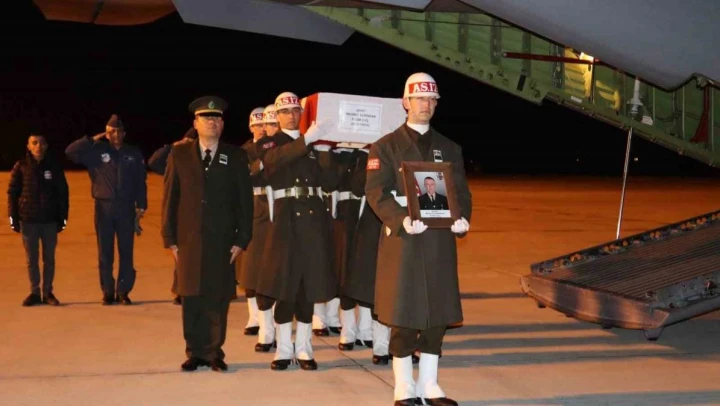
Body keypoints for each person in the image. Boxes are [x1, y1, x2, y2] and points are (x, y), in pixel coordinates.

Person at [365, 72, 472, 406]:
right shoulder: (385, 146)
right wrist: (401, 219)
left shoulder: (449, 148)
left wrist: (462, 220)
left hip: (439, 241)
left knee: (437, 316)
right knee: (404, 315)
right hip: (405, 241)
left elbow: (461, 193)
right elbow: (376, 192)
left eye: (432, 99)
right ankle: (404, 386)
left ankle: (429, 383)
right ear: (406, 102)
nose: (426, 104)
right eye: (420, 98)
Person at [161, 96, 253, 372]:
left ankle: (214, 353)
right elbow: (170, 197)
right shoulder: (179, 154)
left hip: (222, 240)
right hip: (188, 240)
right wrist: (170, 238)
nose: (212, 122)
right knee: (190, 296)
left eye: (216, 118)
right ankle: (194, 352)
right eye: (206, 118)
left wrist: (242, 238)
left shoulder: (235, 156)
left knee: (217, 296)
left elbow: (244, 201)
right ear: (195, 123)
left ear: (222, 124)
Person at [254, 91, 338, 371]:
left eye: (295, 111)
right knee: (285, 287)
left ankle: (303, 348)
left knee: (307, 288)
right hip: (286, 222)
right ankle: (282, 348)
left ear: (301, 114)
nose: (291, 116)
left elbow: (329, 183)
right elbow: (273, 162)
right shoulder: (270, 142)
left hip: (313, 222)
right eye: (285, 112)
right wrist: (308, 140)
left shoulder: (312, 145)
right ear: (277, 116)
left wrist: (326, 152)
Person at [65, 114, 147, 305]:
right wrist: (92, 139)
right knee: (105, 252)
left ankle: (123, 292)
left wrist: (142, 206)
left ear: (124, 133)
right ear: (107, 134)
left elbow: (140, 181)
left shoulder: (133, 153)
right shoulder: (96, 151)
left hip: (126, 208)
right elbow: (70, 151)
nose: (116, 135)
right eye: (112, 131)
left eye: (119, 131)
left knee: (126, 251)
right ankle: (108, 292)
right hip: (104, 207)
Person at [8, 133, 69, 307]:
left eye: (41, 143)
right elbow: (12, 193)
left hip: (49, 221)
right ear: (28, 146)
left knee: (49, 259)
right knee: (32, 259)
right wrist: (13, 217)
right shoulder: (21, 166)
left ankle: (47, 292)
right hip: (28, 221)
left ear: (46, 145)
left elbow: (63, 193)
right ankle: (34, 292)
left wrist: (63, 218)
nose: (38, 146)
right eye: (34, 143)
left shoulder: (54, 167)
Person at [148, 127, 197, 305]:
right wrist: (171, 147)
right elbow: (153, 162)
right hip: (180, 213)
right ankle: (181, 291)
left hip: (199, 212)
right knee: (181, 256)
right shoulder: (175, 158)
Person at [237, 107, 271, 343]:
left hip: (273, 206)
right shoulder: (244, 151)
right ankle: (254, 317)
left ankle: (270, 317)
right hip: (253, 206)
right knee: (250, 266)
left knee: (271, 265)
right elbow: (243, 176)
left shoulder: (277, 147)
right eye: (257, 125)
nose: (261, 129)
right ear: (250, 127)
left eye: (264, 125)